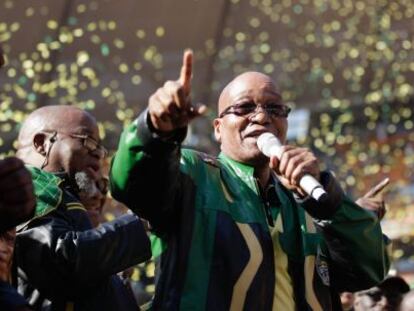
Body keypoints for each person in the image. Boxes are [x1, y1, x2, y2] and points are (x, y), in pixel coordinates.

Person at [110, 50, 389, 310]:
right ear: (218, 129)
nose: (262, 117)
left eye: (274, 108)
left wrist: (330, 202)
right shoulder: (193, 174)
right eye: (244, 107)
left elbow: (369, 269)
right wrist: (154, 132)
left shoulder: (309, 198)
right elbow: (133, 185)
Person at [15, 105, 151, 310]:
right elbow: (60, 263)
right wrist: (137, 225)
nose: (99, 154)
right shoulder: (30, 184)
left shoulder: (59, 196)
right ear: (42, 143)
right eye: (87, 141)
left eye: (100, 148)